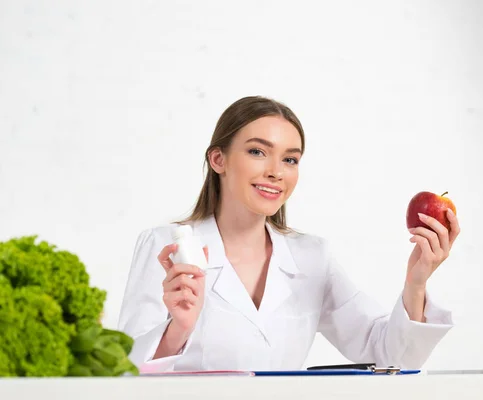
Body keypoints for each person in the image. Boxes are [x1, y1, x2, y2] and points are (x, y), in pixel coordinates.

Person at [117, 96, 460, 374]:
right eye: (257, 152)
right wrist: (178, 329)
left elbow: (390, 357)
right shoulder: (168, 247)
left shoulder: (312, 258)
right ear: (218, 160)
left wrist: (416, 282)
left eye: (290, 160)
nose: (276, 172)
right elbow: (124, 371)